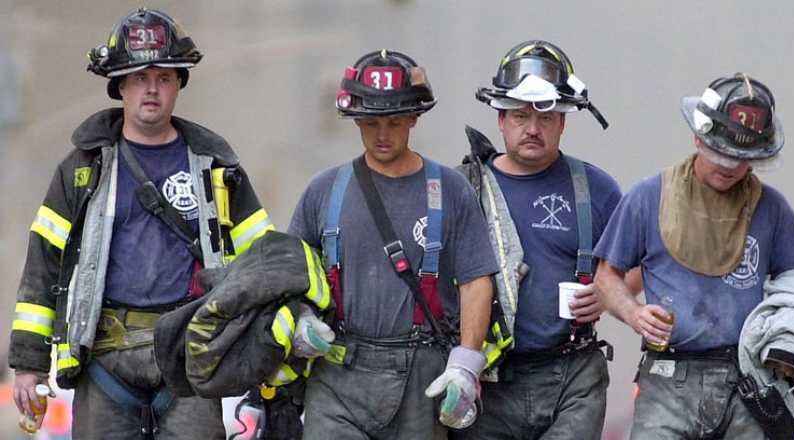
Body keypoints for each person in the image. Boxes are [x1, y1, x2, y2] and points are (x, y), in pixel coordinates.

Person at [8, 8, 273, 439]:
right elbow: (43, 264)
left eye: (164, 77)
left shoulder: (217, 170)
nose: (152, 88)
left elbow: (264, 265)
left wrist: (267, 355)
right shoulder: (83, 169)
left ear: (178, 84)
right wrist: (28, 363)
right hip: (105, 359)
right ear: (121, 85)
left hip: (192, 358)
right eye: (140, 77)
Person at [287, 49, 498, 439]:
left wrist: (466, 363)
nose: (382, 134)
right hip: (338, 373)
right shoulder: (324, 191)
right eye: (371, 122)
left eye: (395, 121)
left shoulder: (450, 190)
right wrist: (300, 319)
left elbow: (476, 281)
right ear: (355, 120)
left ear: (415, 117)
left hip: (422, 377)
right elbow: (287, 273)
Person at [595, 73, 794, 439]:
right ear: (698, 136)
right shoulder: (649, 197)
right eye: (721, 153)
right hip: (667, 382)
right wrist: (635, 314)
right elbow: (606, 276)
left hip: (750, 384)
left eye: (742, 157)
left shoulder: (772, 209)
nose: (730, 166)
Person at [453, 40, 621, 439]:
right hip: (489, 383)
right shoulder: (462, 190)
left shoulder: (596, 189)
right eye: (520, 115)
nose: (532, 128)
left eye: (545, 117)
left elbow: (633, 268)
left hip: (573, 378)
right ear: (499, 117)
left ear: (563, 120)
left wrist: (607, 293)